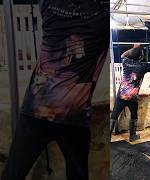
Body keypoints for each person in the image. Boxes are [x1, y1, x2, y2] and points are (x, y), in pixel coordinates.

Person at [1, 1, 108, 180]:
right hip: (73, 116)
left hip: (36, 110)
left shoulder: (49, 6)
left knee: (13, 173)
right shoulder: (103, 19)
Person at [110, 44, 150, 142]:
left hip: (121, 95)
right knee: (134, 116)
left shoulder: (125, 62)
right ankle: (132, 136)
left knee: (114, 116)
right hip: (132, 97)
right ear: (141, 57)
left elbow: (123, 55)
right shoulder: (143, 66)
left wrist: (134, 48)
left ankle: (108, 137)